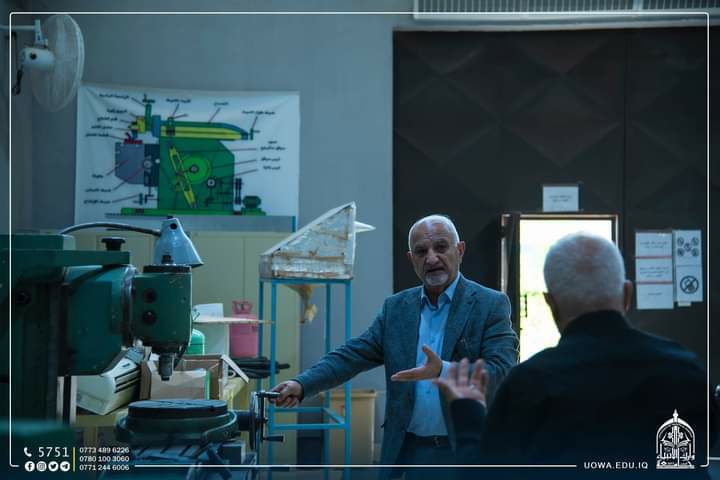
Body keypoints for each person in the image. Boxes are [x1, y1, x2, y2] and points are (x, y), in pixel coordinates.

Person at [437, 232, 717, 474]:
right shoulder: (685, 371)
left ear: (551, 304)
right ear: (627, 294)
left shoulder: (528, 385)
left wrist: (468, 413)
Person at [271, 214, 518, 473]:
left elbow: (502, 371)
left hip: (463, 454)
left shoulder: (489, 304)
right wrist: (302, 384)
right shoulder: (397, 308)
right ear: (412, 259)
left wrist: (443, 370)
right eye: (421, 251)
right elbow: (352, 355)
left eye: (441, 247)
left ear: (460, 250)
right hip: (407, 452)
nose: (431, 258)